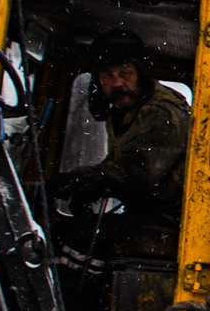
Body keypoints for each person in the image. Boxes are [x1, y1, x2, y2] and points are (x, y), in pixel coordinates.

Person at [55, 25, 190, 262]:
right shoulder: (126, 111)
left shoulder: (161, 112)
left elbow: (135, 171)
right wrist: (85, 188)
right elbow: (118, 165)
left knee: (70, 240)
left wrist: (77, 181)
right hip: (145, 216)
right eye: (107, 75)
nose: (116, 83)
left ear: (141, 72)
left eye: (125, 72)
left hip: (171, 224)